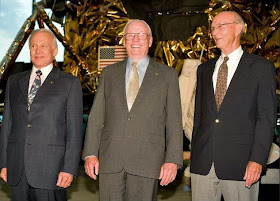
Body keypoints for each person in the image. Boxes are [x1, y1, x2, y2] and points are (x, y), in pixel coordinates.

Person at [83, 19, 183, 201]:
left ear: (150, 41)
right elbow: (96, 117)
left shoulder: (168, 75)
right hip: (110, 161)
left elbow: (174, 122)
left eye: (141, 35)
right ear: (124, 40)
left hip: (147, 161)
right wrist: (90, 153)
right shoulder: (108, 74)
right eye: (130, 35)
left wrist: (172, 160)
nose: (135, 39)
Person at [190, 11, 276, 201]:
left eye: (220, 26)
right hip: (202, 164)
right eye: (212, 28)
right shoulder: (204, 70)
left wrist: (257, 160)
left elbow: (266, 118)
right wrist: (194, 153)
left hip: (242, 165)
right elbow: (199, 117)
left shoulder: (261, 68)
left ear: (238, 28)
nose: (214, 32)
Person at [0, 28, 83, 201]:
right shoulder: (14, 82)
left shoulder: (69, 83)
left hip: (51, 171)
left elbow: (74, 132)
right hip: (17, 170)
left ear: (55, 51)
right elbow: (7, 125)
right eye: (33, 46)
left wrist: (69, 168)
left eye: (43, 46)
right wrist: (4, 164)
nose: (38, 51)